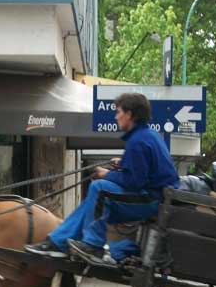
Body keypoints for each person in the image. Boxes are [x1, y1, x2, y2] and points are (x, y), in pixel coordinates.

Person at [25, 93, 179, 264]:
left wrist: (107, 174)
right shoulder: (148, 135)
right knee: (92, 200)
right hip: (155, 198)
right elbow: (145, 169)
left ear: (129, 114)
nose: (116, 116)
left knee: (99, 189)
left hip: (152, 201)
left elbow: (134, 182)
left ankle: (93, 245)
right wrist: (123, 163)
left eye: (119, 112)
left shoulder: (138, 141)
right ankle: (56, 243)